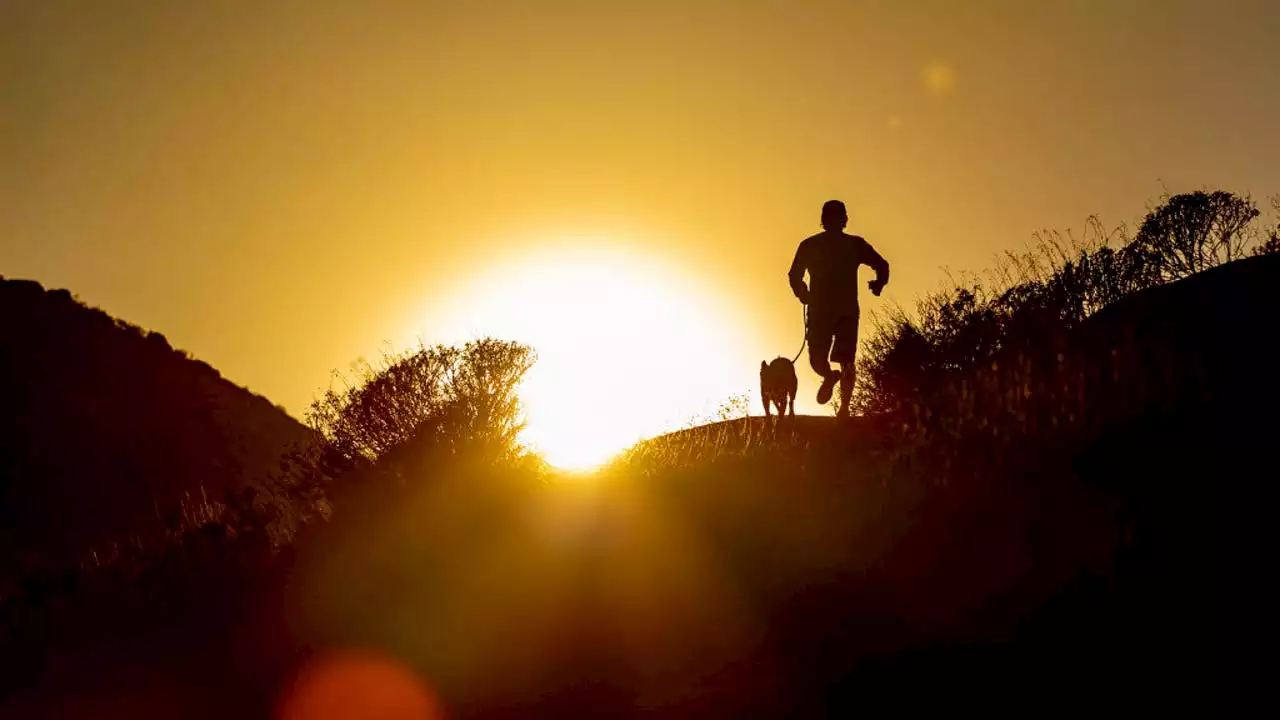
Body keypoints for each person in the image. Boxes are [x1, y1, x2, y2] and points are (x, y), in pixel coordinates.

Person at [788, 200, 890, 417]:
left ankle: (843, 407)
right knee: (833, 361)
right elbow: (794, 276)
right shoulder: (825, 245)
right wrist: (878, 283)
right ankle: (832, 383)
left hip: (833, 311)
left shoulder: (825, 245)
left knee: (841, 361)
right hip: (836, 310)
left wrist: (803, 293)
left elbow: (794, 276)